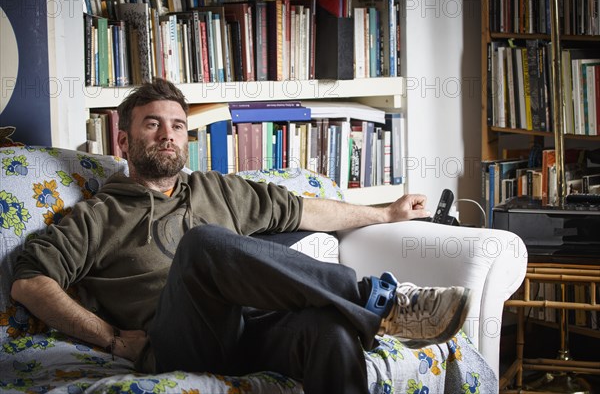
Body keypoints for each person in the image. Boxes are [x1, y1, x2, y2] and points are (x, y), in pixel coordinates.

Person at [11, 78, 471, 394]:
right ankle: (383, 303)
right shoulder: (97, 216)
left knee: (329, 331)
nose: (167, 135)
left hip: (255, 329)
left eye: (177, 125)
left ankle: (373, 308)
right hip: (180, 340)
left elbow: (304, 209)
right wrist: (111, 338)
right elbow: (30, 280)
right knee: (202, 244)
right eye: (152, 124)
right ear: (124, 141)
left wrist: (386, 212)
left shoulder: (215, 188)